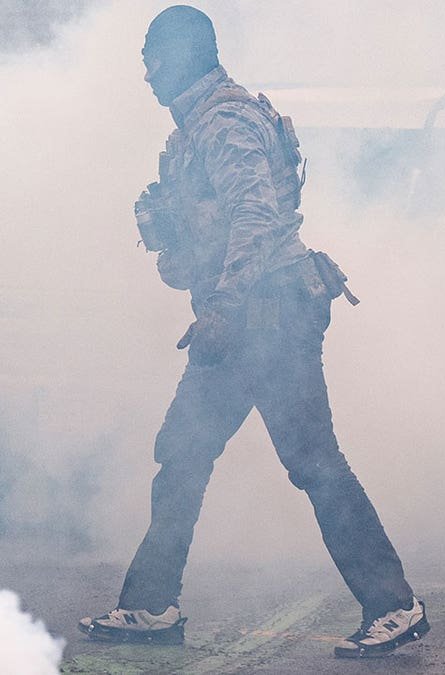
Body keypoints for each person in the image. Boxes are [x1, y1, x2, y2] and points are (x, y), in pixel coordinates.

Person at [78, 6, 427, 658]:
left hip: (268, 317)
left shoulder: (225, 123)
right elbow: (199, 249)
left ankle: (393, 604)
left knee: (313, 462)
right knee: (182, 450)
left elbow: (257, 219)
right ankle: (151, 602)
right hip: (244, 322)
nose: (146, 72)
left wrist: (223, 308)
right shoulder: (193, 133)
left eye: (154, 57)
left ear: (185, 56)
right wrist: (169, 237)